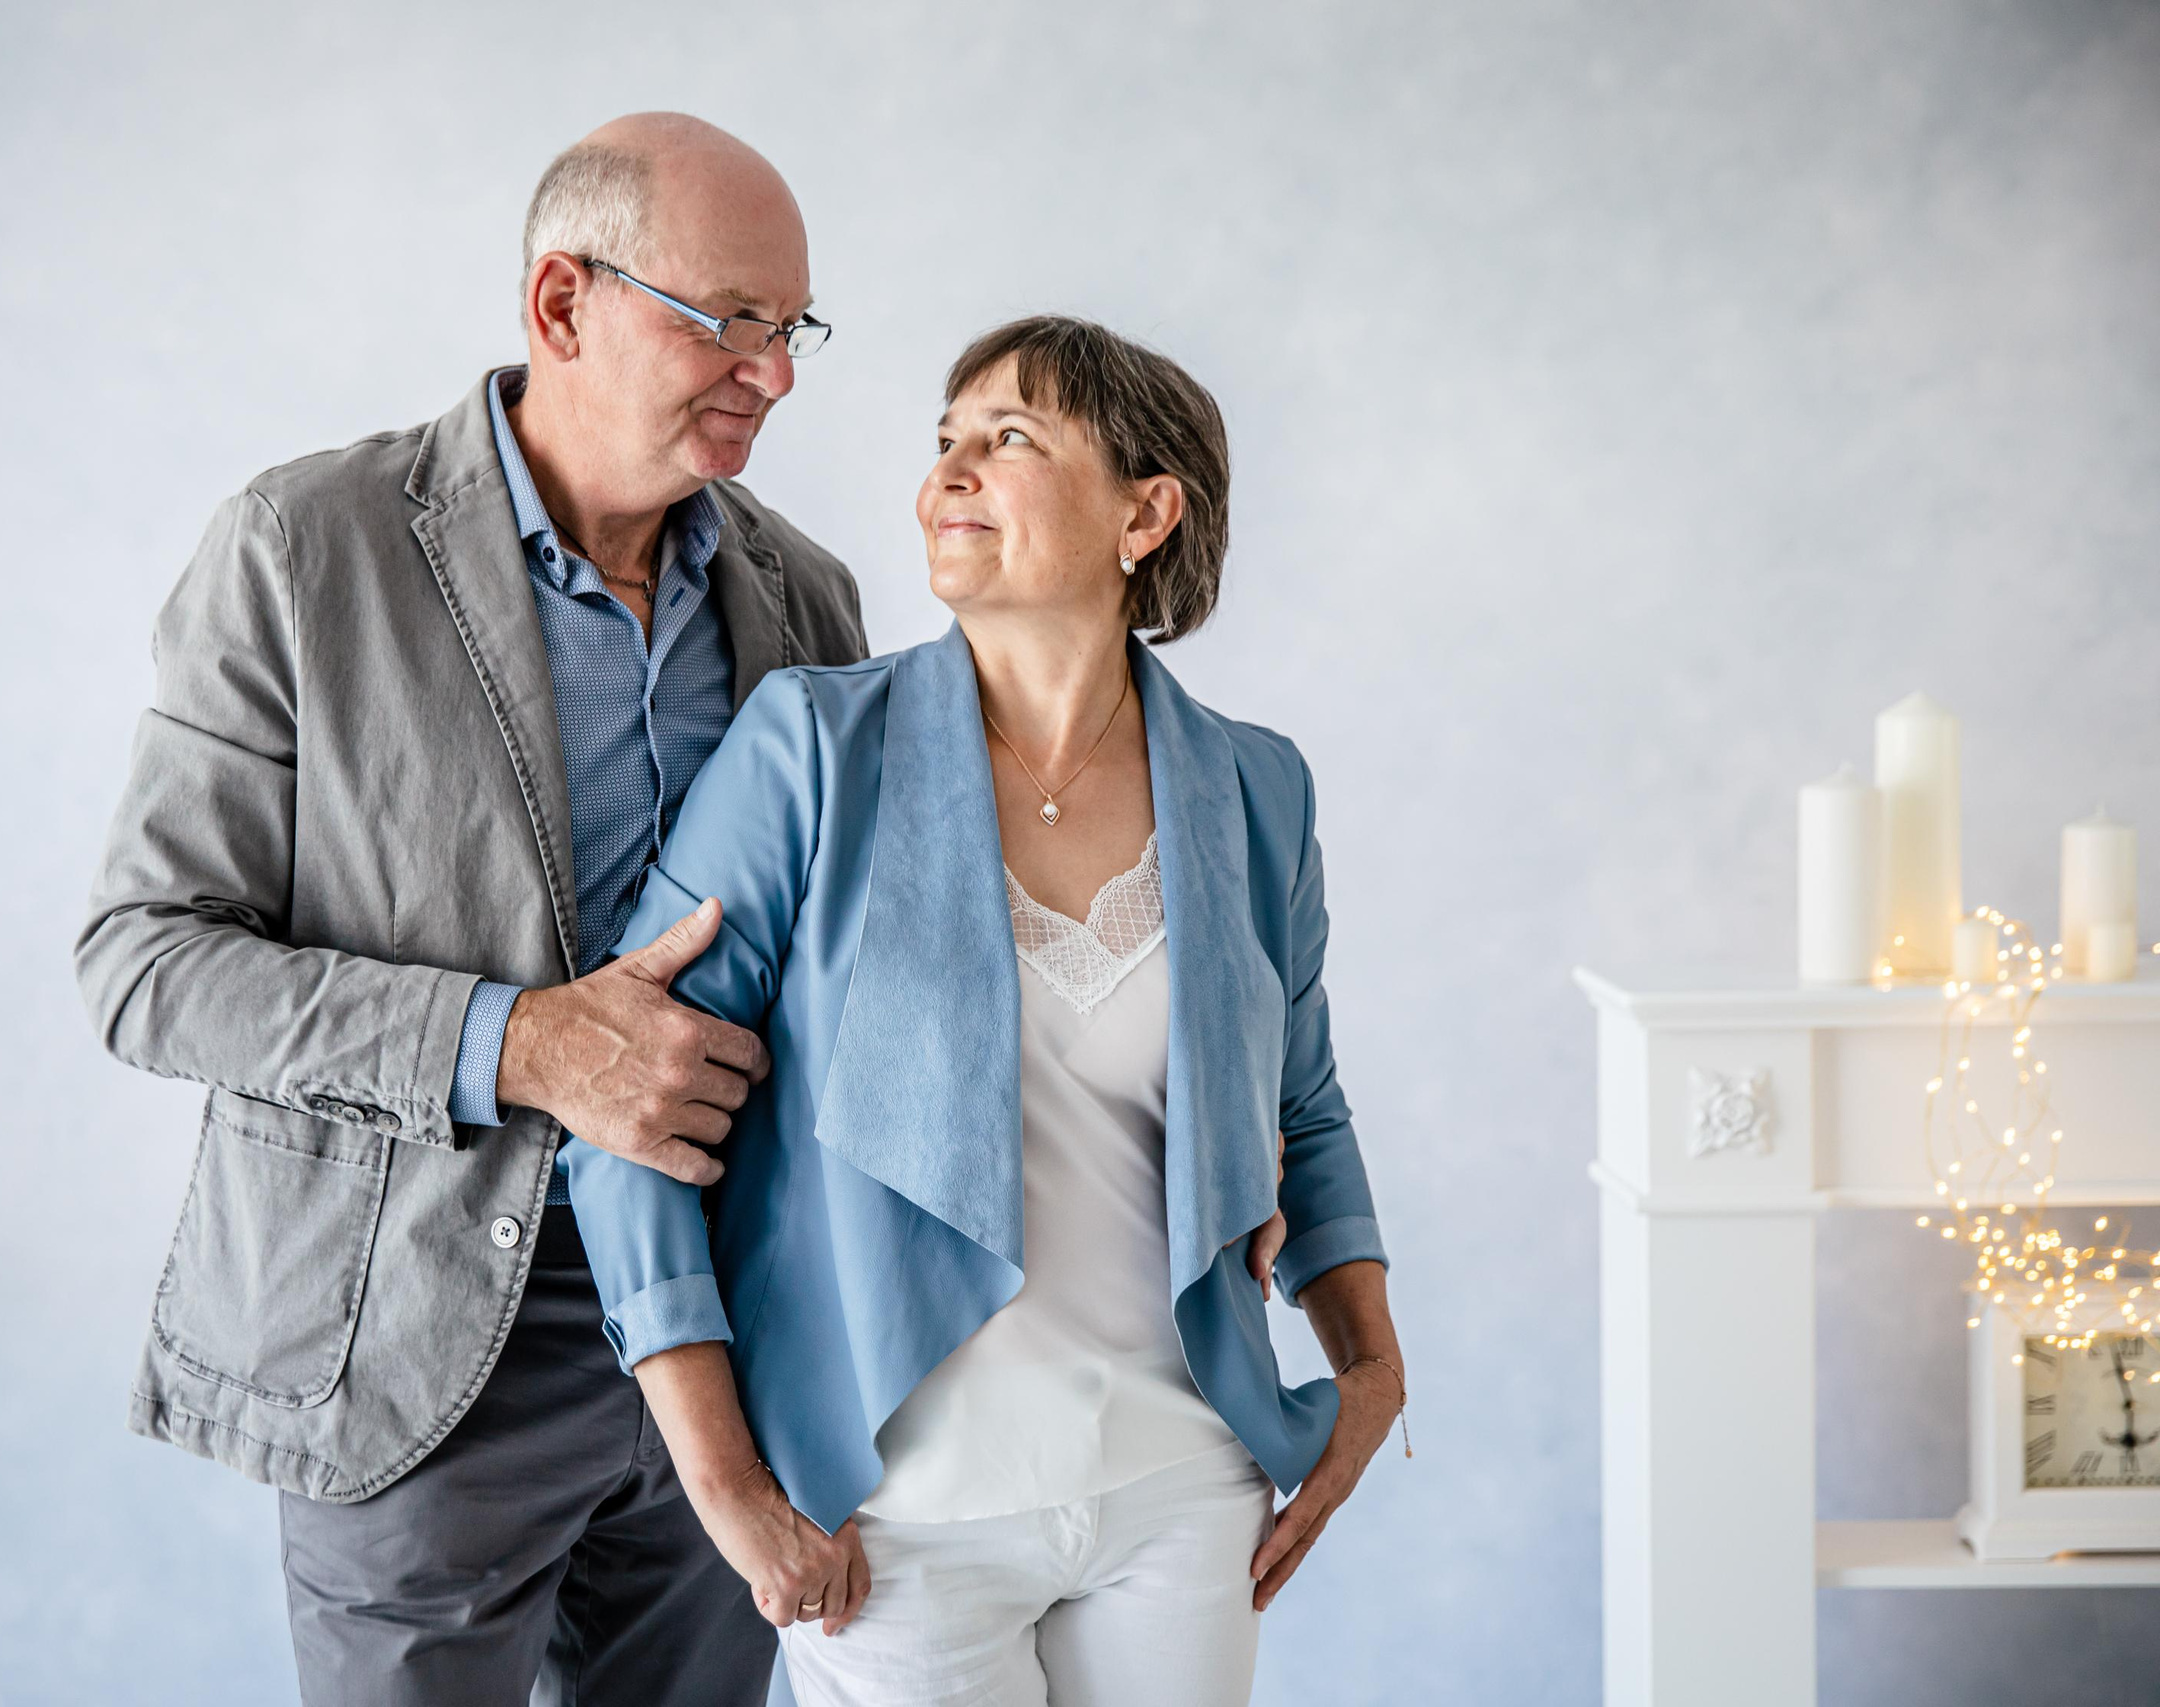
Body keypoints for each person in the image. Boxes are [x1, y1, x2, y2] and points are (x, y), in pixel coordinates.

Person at [73, 113, 867, 1707]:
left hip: (728, 1357)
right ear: (563, 302)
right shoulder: (305, 549)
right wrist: (521, 1045)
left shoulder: (809, 599)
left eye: (794, 329)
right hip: (412, 1351)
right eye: (730, 321)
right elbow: (147, 965)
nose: (774, 375)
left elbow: (855, 977)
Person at [563, 316, 1408, 1706]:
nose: (948, 474)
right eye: (944, 440)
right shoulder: (810, 749)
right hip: (894, 1522)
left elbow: (1303, 1105)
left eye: (1009, 438)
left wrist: (1370, 1374)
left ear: (1146, 514)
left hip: (1184, 1491)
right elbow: (628, 1122)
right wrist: (730, 1490)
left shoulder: (1258, 789)